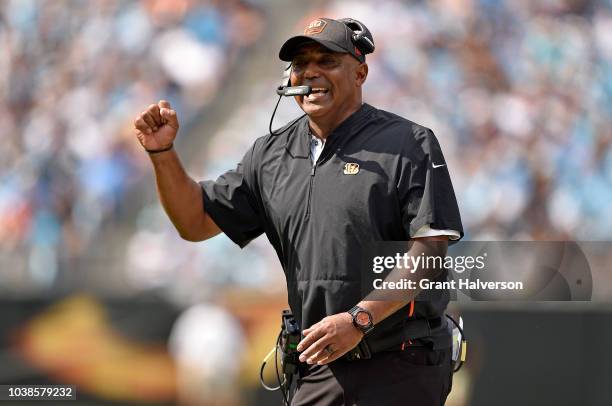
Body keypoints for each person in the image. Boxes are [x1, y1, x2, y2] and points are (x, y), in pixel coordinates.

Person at [134, 17, 463, 406]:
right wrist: (162, 153)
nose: (310, 71)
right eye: (300, 63)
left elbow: (429, 250)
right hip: (318, 366)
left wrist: (360, 319)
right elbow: (195, 222)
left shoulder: (408, 142)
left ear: (360, 72)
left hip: (398, 364)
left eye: (326, 61)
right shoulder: (269, 155)